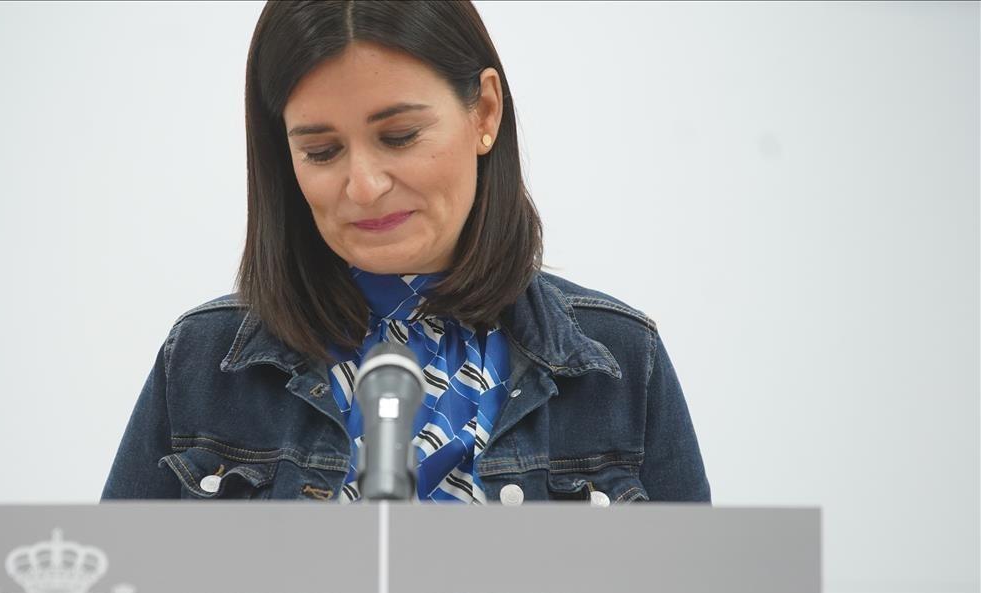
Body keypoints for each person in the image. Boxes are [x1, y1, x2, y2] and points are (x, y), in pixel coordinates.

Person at [100, 0, 710, 504]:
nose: (363, 186)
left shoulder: (621, 363)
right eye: (321, 152)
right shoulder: (204, 365)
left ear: (485, 112)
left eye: (399, 137)